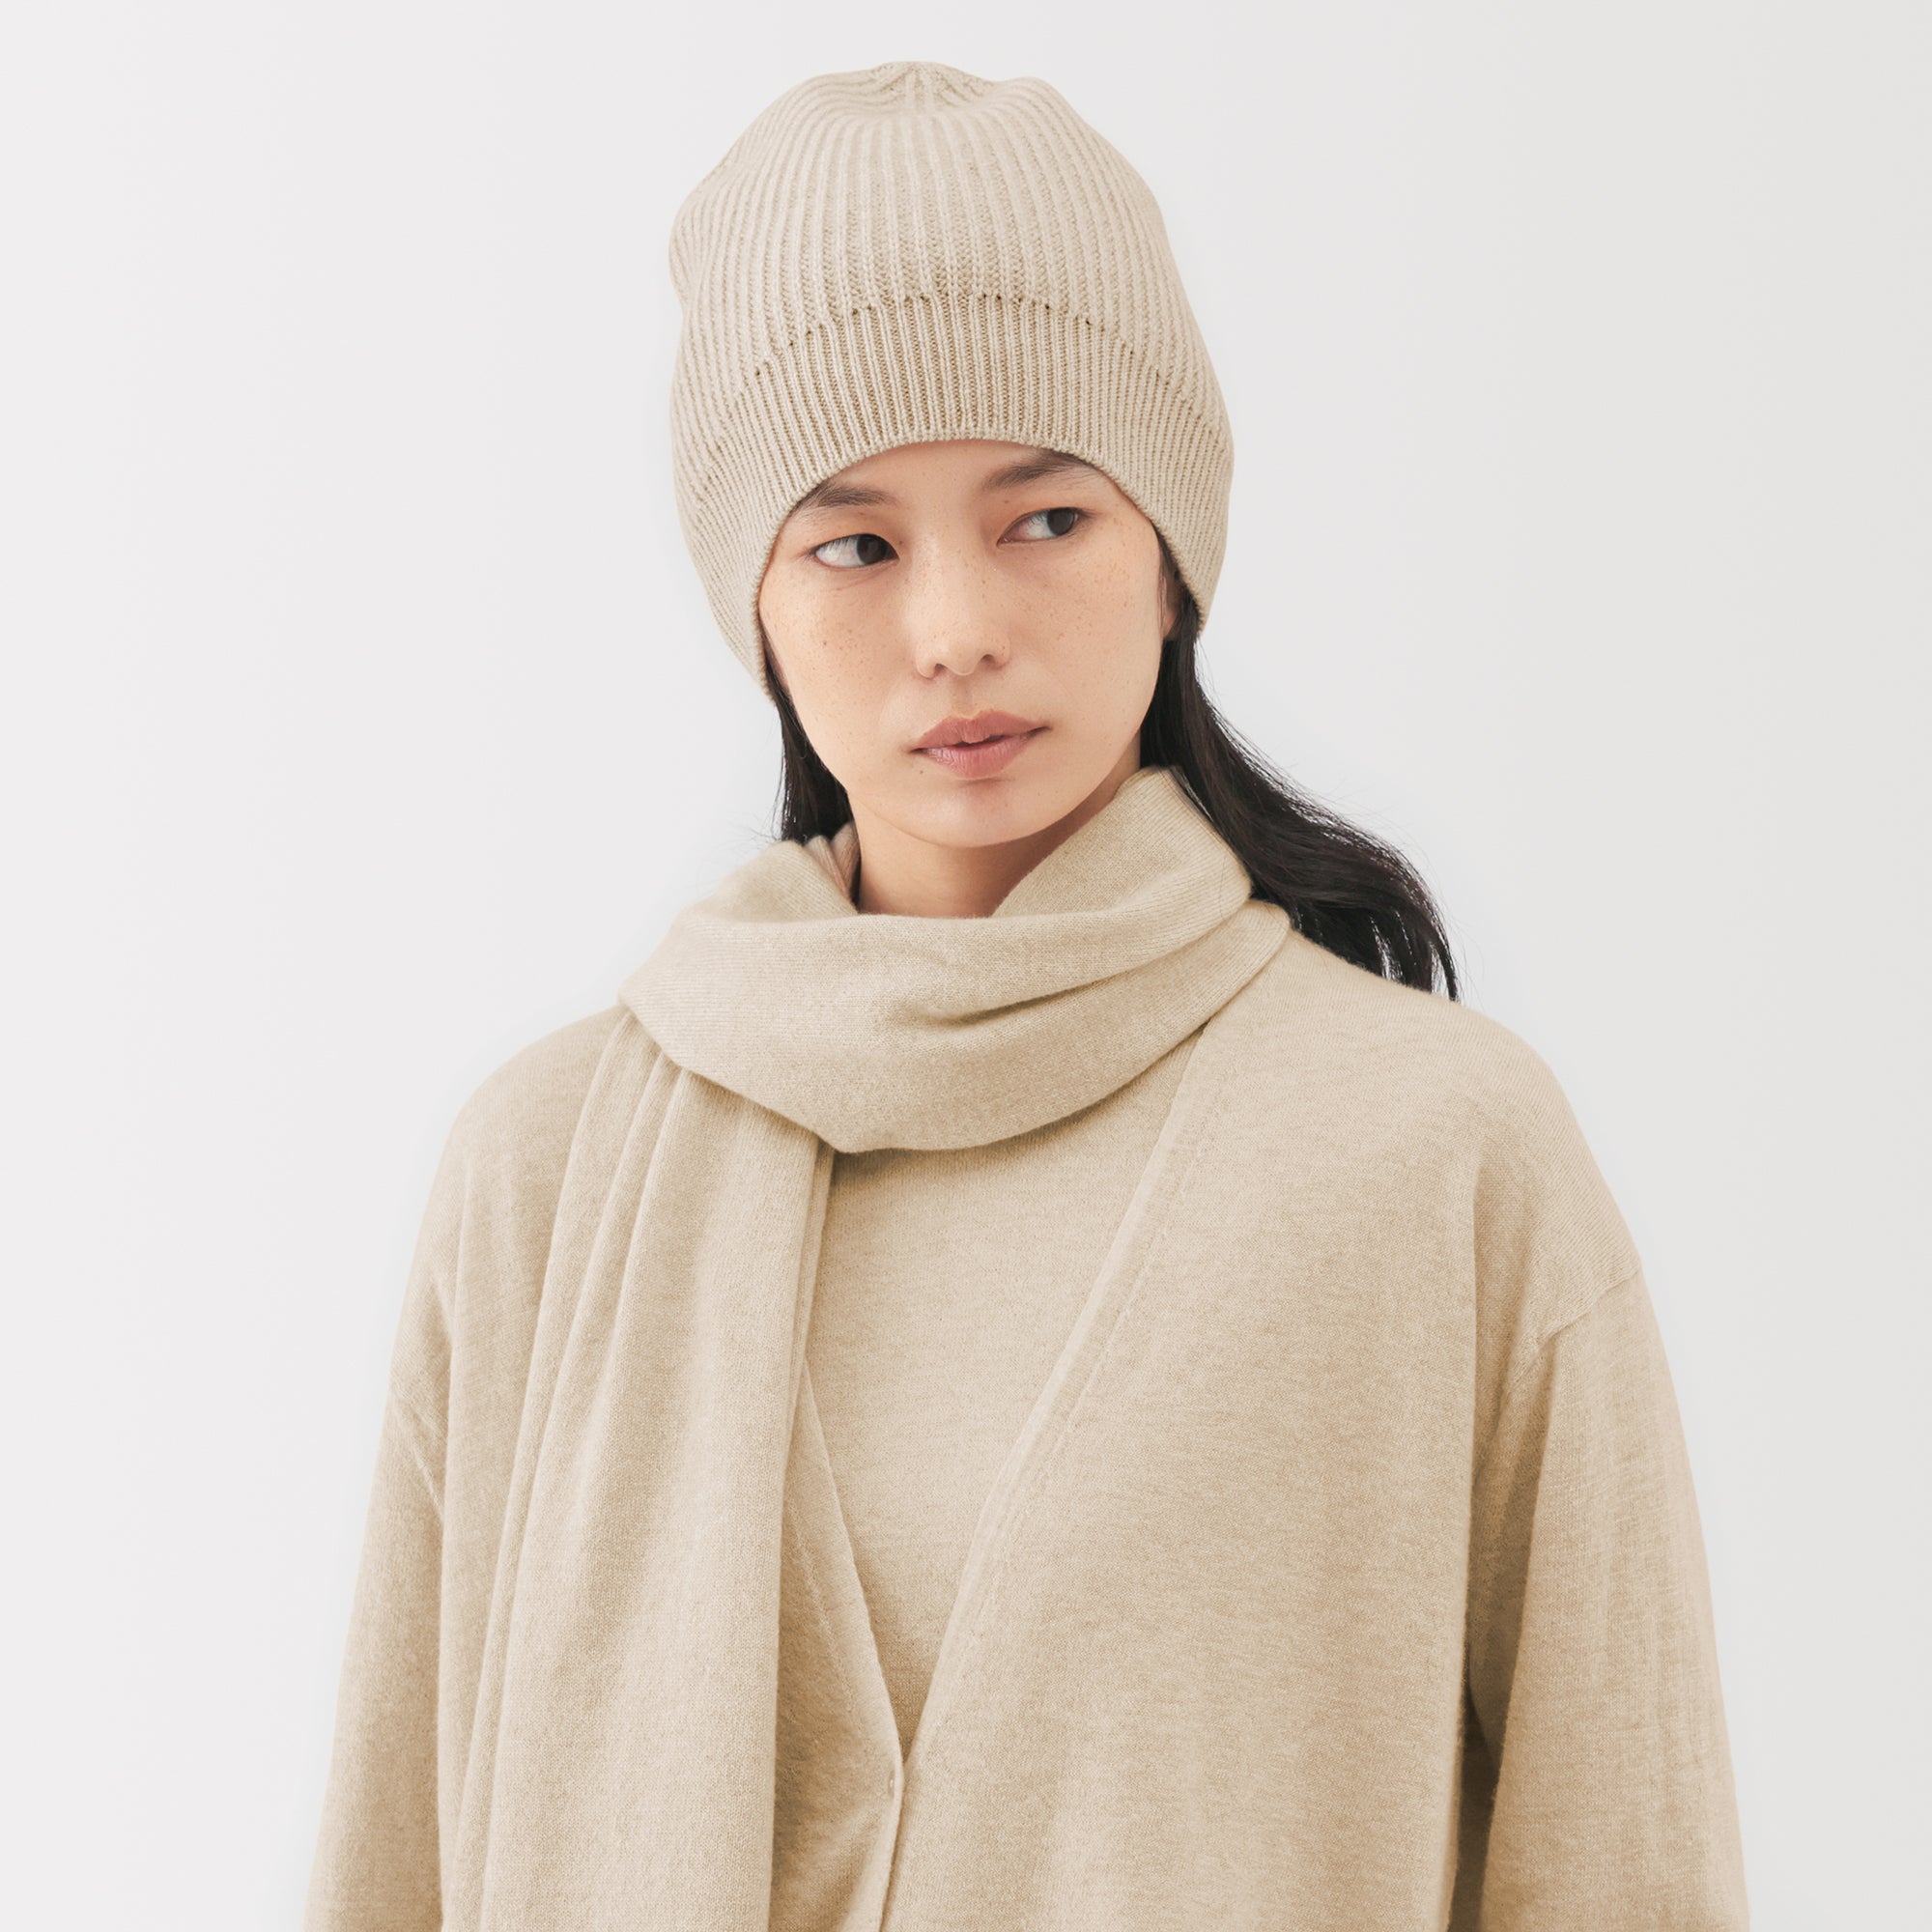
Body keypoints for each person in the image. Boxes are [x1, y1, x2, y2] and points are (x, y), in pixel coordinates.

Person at [304, 60, 1750, 1932]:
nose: (955, 628)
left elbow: (1626, 1866)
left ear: (1172, 555)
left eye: (1045, 517)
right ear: (755, 604)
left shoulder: (1432, 1154)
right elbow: (393, 1873)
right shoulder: (545, 1178)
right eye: (853, 543)